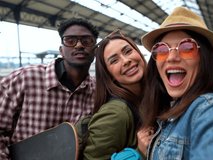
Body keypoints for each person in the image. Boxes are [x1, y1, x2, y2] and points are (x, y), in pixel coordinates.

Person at [137, 6, 213, 159]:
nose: (171, 57)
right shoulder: (171, 110)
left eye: (187, 47)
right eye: (162, 49)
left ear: (205, 59)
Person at [0, 18, 98, 159]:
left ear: (95, 50)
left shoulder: (96, 92)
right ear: (61, 50)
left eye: (87, 41)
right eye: (70, 41)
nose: (78, 45)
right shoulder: (25, 78)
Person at [79, 29, 147, 160]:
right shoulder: (115, 114)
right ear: (109, 75)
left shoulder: (149, 97)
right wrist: (139, 153)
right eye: (114, 60)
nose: (126, 60)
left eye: (128, 51)